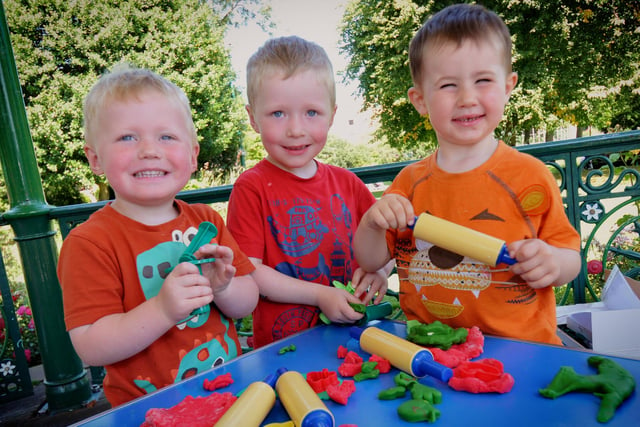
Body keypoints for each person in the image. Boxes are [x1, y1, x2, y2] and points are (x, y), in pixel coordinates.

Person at [353, 4, 581, 345]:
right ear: (420, 100)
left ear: (507, 86)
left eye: (483, 80)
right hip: (431, 348)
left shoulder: (530, 175)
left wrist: (553, 263)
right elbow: (371, 259)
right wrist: (372, 222)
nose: (467, 98)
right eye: (447, 85)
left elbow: (569, 257)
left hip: (521, 350)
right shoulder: (408, 184)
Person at [57, 64, 259, 406]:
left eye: (166, 136)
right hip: (149, 410)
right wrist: (163, 311)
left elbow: (246, 303)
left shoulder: (207, 221)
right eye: (127, 137)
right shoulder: (89, 243)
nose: (149, 150)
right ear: (95, 159)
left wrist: (223, 287)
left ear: (193, 155)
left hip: (229, 391)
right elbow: (90, 345)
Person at [227, 36, 391, 349]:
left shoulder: (349, 184)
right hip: (286, 348)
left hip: (358, 339)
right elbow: (251, 272)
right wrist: (320, 294)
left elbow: (389, 245)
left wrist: (380, 272)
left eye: (311, 113)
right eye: (278, 114)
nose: (295, 129)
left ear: (331, 113)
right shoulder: (252, 187)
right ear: (252, 118)